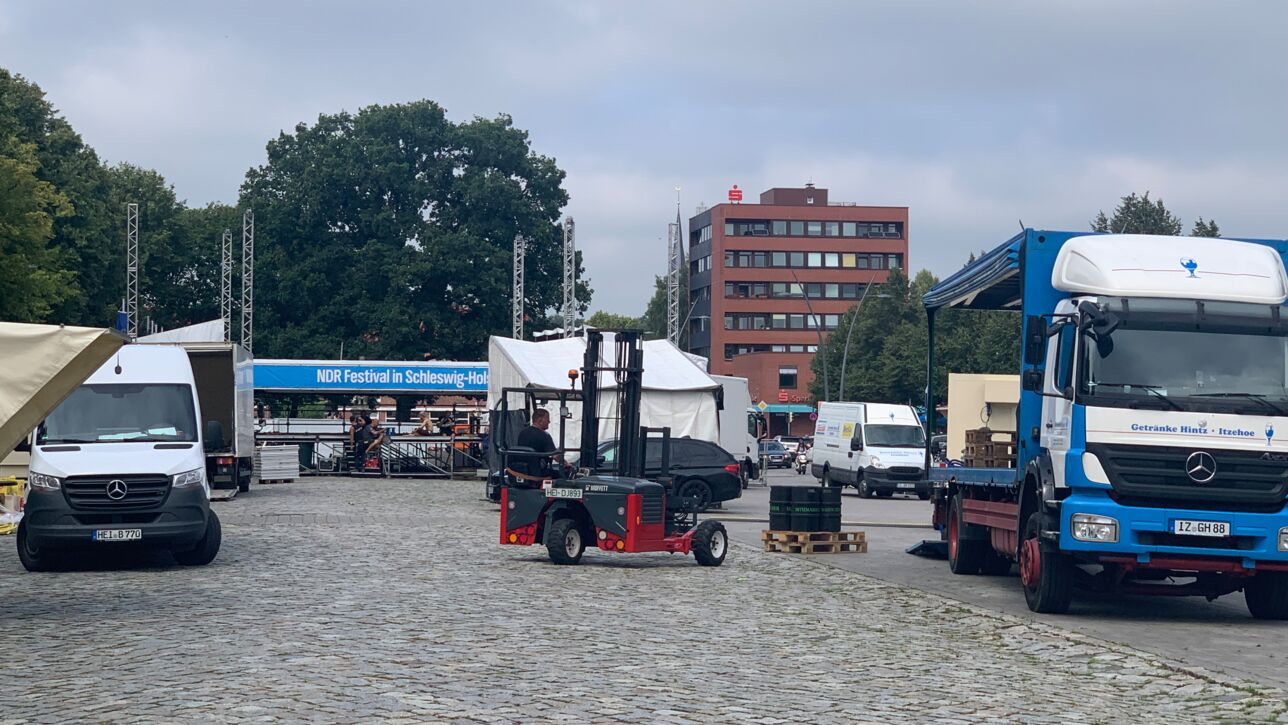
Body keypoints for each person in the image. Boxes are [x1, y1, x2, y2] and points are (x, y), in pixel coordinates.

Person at [516, 409, 559, 478]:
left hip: (521, 471)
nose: (549, 422)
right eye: (547, 419)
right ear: (540, 420)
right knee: (563, 474)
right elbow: (555, 456)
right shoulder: (544, 436)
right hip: (538, 472)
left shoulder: (522, 433)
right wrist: (566, 464)